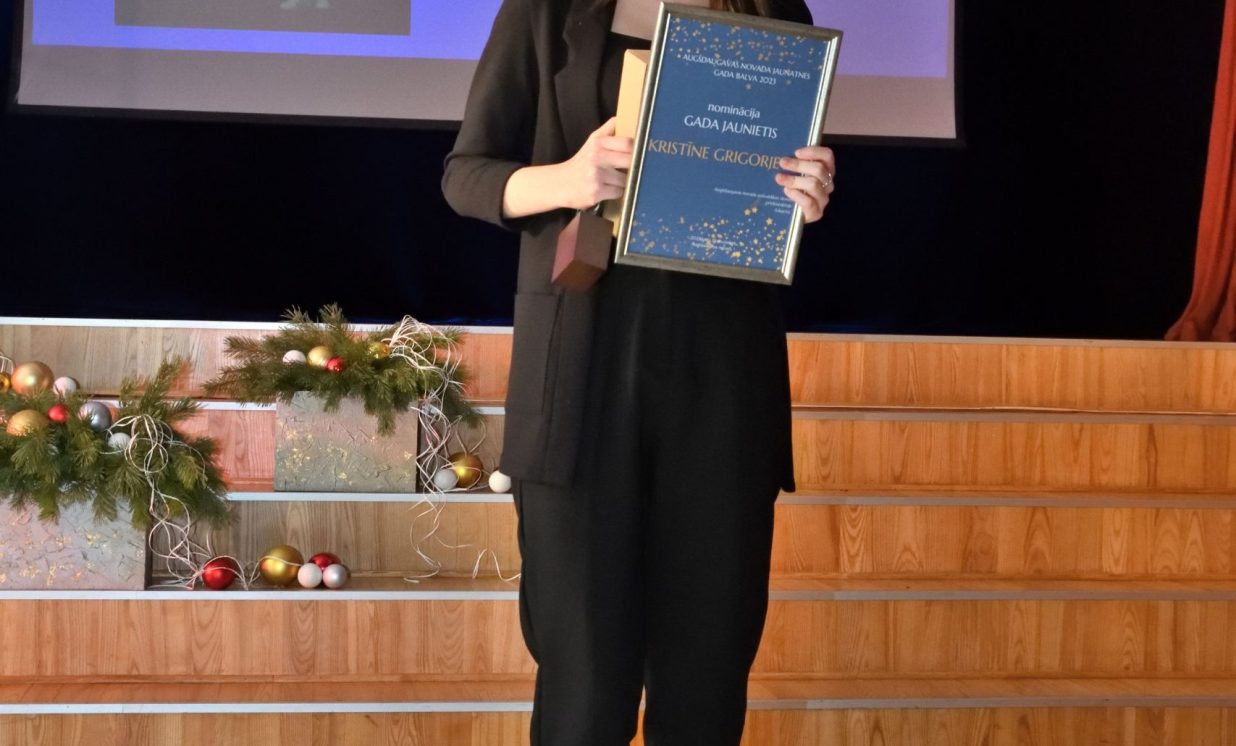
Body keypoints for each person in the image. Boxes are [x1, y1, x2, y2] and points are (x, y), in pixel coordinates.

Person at [442, 0, 836, 743]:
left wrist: (806, 191)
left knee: (705, 681)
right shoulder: (545, 10)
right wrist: (570, 179)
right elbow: (466, 175)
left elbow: (776, 177)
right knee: (585, 688)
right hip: (581, 373)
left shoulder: (772, 10)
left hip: (724, 378)